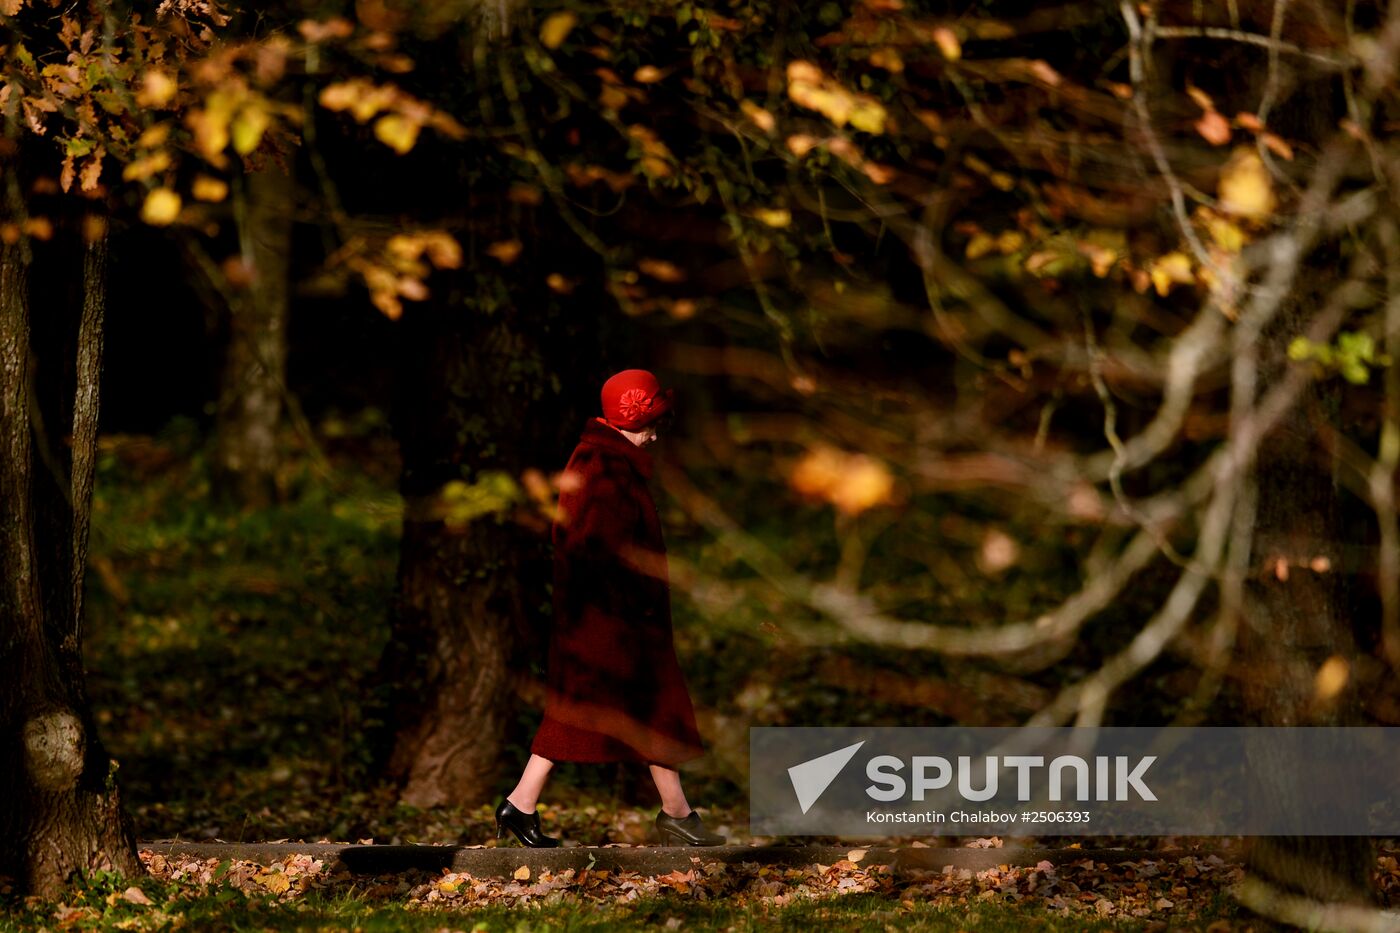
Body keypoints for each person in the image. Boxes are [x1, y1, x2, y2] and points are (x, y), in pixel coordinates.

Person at [494, 369, 726, 848]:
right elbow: (594, 548)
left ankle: (675, 811)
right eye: (651, 421)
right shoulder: (604, 467)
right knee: (594, 707)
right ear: (632, 417)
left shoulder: (609, 460)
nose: (657, 432)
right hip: (609, 621)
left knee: (646, 708)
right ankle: (522, 803)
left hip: (617, 618)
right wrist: (625, 613)